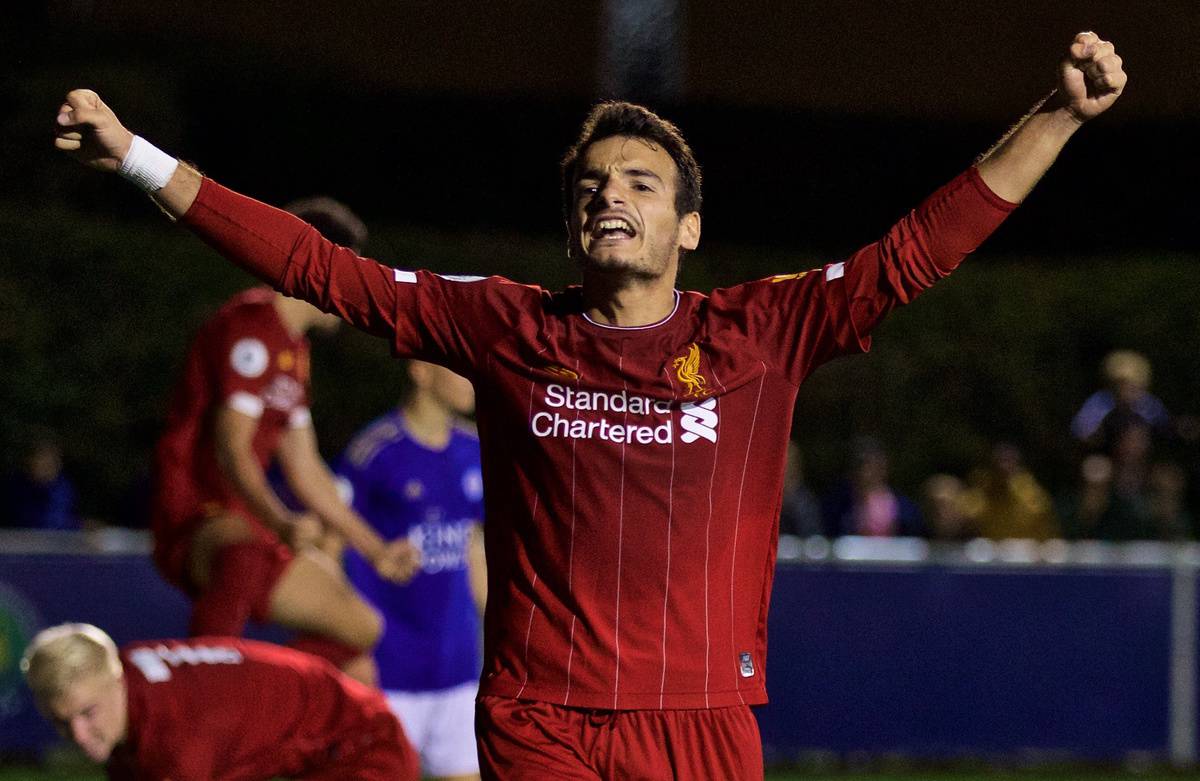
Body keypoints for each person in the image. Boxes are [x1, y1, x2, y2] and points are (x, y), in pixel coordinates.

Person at [53, 31, 1125, 779]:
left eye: (642, 183)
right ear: (573, 227)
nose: (610, 193)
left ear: (689, 228)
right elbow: (319, 267)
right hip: (539, 717)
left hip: (702, 718)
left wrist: (1058, 116)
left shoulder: (760, 332)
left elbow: (913, 253)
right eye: (591, 186)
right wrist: (138, 160)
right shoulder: (508, 327)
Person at [147, 197, 419, 685]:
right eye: (349, 270)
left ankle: (266, 705)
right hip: (195, 515)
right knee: (244, 559)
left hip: (247, 518)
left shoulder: (295, 350)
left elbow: (306, 465)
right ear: (322, 262)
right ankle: (200, 697)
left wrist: (375, 550)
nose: (355, 288)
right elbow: (232, 448)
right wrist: (281, 521)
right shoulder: (250, 326)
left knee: (359, 629)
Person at [20, 623, 419, 780]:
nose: (78, 735)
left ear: (115, 680)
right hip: (338, 731)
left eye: (88, 714)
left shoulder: (180, 741)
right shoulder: (118, 671)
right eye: (63, 722)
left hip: (367, 747)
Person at [337, 360, 486, 781]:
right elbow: (333, 545)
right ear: (420, 370)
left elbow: (473, 548)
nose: (472, 379)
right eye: (459, 368)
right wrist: (350, 647)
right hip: (388, 672)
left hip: (458, 671)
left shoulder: (474, 449)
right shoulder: (376, 452)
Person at [821, 435, 923, 537]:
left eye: (874, 465)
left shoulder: (903, 506)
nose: (866, 471)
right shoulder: (837, 505)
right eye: (860, 465)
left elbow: (912, 536)